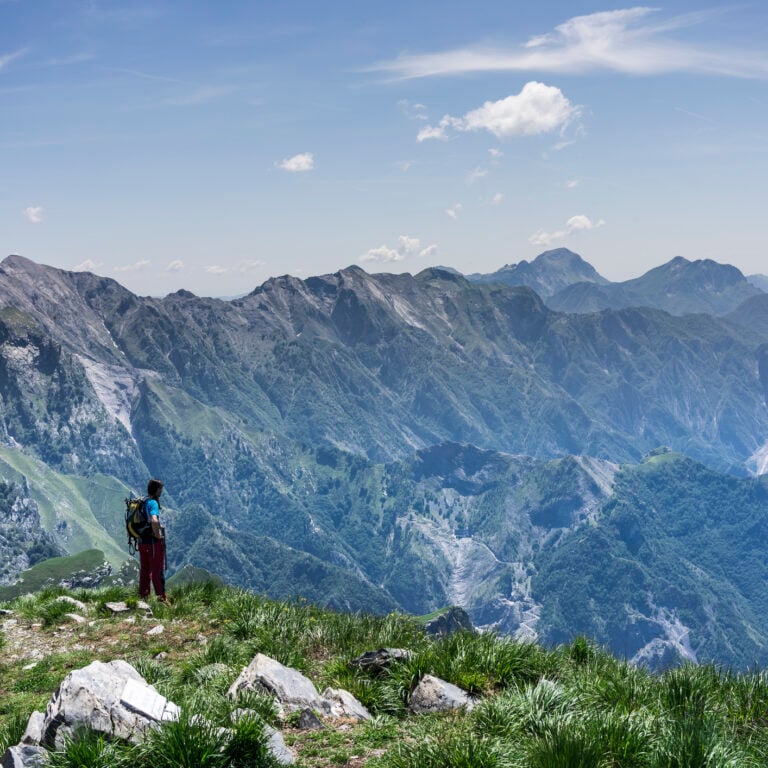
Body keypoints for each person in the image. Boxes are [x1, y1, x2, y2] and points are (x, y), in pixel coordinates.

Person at [138, 478, 169, 604]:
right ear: (157, 490)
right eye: (160, 489)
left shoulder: (142, 502)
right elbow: (155, 520)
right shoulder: (153, 503)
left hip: (141, 542)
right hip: (152, 543)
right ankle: (161, 599)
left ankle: (143, 598)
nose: (161, 491)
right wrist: (157, 535)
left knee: (145, 570)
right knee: (157, 570)